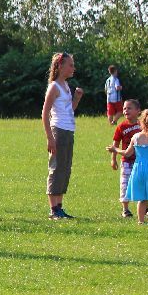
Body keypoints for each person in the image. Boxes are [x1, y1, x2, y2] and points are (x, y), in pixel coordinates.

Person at [42, 52, 83, 220]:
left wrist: (77, 98)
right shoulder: (54, 87)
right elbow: (45, 114)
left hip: (68, 130)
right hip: (58, 131)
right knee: (56, 168)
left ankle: (59, 207)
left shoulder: (65, 86)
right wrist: (50, 137)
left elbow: (69, 110)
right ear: (60, 66)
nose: (73, 68)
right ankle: (53, 209)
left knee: (65, 168)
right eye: (70, 65)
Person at [108, 108, 148, 224]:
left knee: (143, 198)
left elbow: (127, 153)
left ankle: (141, 221)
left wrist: (115, 149)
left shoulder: (136, 137)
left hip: (139, 169)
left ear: (141, 122)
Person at [109, 99, 142, 218]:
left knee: (141, 183)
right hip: (127, 161)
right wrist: (113, 159)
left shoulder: (142, 125)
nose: (125, 110)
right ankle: (125, 209)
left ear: (138, 111)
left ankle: (144, 206)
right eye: (124, 108)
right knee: (125, 184)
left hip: (140, 161)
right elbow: (115, 144)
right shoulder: (121, 127)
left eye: (129, 108)